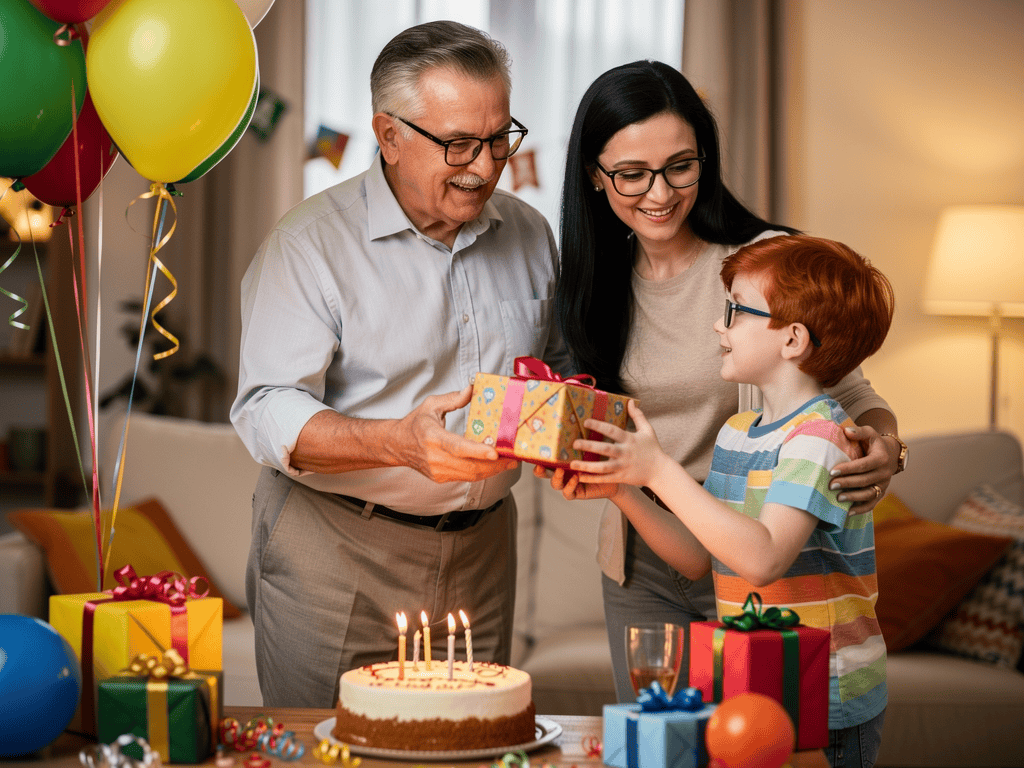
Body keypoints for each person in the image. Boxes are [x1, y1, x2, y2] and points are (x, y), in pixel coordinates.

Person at [543, 60, 907, 708]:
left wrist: (885, 445)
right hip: (648, 557)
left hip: (758, 543)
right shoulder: (588, 285)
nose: (659, 192)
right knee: (663, 744)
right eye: (631, 174)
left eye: (680, 166)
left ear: (705, 159)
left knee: (759, 739)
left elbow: (854, 398)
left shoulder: (762, 266)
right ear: (596, 178)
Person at [231, 21, 569, 707]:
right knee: (327, 751)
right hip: (335, 552)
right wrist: (398, 443)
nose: (484, 166)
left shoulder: (530, 232)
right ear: (388, 136)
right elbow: (266, 409)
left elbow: (553, 365)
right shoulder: (308, 245)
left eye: (500, 138)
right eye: (458, 145)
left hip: (483, 554)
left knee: (471, 745)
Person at [565, 234, 894, 768]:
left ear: (791, 339)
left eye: (736, 311)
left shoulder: (820, 437)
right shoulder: (738, 434)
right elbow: (699, 559)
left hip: (826, 696)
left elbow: (763, 558)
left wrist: (659, 468)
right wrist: (624, 489)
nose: (720, 327)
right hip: (752, 690)